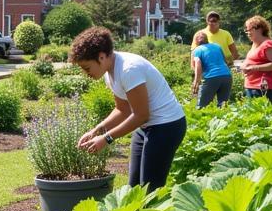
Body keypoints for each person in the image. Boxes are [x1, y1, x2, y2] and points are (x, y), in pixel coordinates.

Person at [70, 27, 187, 191]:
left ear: (101, 57)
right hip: (146, 127)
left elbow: (141, 115)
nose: (85, 73)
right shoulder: (109, 72)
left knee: (149, 189)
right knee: (134, 187)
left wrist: (106, 139)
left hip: (167, 126)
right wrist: (96, 131)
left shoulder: (128, 70)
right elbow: (122, 110)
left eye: (87, 68)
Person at [241, 15, 272, 103]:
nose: (248, 32)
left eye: (249, 29)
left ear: (259, 29)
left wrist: (254, 68)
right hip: (252, 86)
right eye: (246, 30)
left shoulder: (267, 44)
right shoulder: (255, 44)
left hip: (263, 88)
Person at [191, 30, 234, 108]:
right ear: (207, 39)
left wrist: (196, 82)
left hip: (211, 77)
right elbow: (224, 61)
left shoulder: (197, 50)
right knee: (223, 106)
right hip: (227, 76)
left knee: (203, 106)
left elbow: (198, 65)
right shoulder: (217, 46)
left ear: (196, 42)